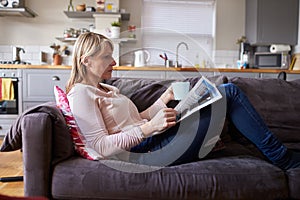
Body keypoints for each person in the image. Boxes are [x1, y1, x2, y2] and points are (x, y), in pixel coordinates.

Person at [66, 32, 300, 170]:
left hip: (151, 138)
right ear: (86, 61)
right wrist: (149, 128)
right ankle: (282, 157)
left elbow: (137, 119)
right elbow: (100, 147)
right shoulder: (81, 94)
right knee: (229, 92)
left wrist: (164, 100)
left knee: (220, 94)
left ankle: (275, 153)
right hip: (145, 151)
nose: (114, 62)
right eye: (107, 57)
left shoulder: (104, 87)